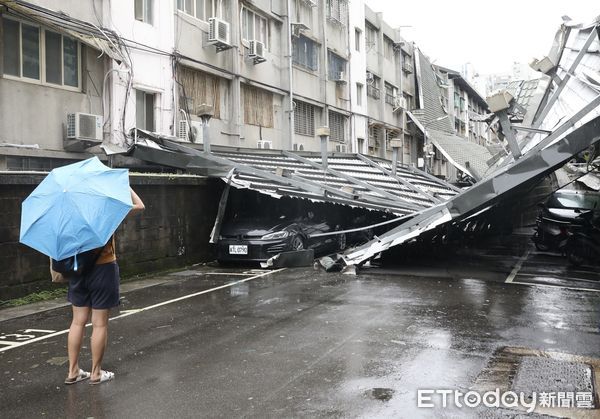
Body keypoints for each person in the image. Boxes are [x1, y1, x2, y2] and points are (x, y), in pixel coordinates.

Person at [64, 187, 145, 385]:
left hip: (78, 270)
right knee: (99, 323)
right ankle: (96, 372)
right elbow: (140, 206)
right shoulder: (107, 210)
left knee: (77, 322)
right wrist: (125, 186)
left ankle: (73, 371)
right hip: (103, 268)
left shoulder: (70, 212)